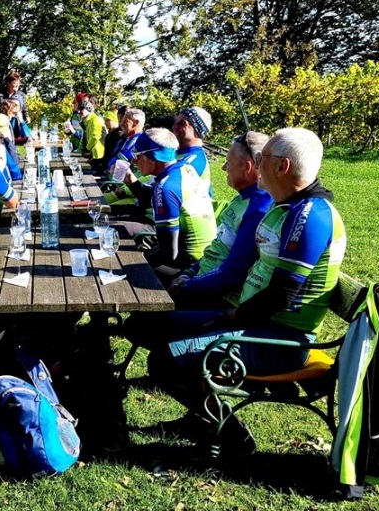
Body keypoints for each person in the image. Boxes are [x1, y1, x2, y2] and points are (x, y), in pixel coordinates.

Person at [143, 128, 347, 452]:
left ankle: (232, 436)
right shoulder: (289, 208)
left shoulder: (309, 216)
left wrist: (228, 318)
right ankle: (205, 417)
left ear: (282, 167)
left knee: (164, 361)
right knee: (158, 327)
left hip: (278, 340)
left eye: (262, 159)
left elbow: (282, 294)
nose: (256, 165)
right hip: (256, 324)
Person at [169, 132, 273, 309]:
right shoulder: (242, 199)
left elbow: (233, 273)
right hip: (201, 282)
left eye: (229, 162)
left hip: (219, 298)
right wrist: (189, 273)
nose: (224, 167)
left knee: (144, 323)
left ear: (247, 167)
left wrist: (186, 286)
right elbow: (216, 248)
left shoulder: (258, 209)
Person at [120, 128, 217, 281]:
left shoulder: (166, 187)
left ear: (153, 157)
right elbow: (152, 199)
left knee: (118, 266)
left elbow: (169, 254)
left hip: (187, 266)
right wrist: (132, 183)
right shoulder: (184, 169)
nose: (133, 161)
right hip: (200, 257)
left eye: (137, 155)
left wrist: (137, 260)